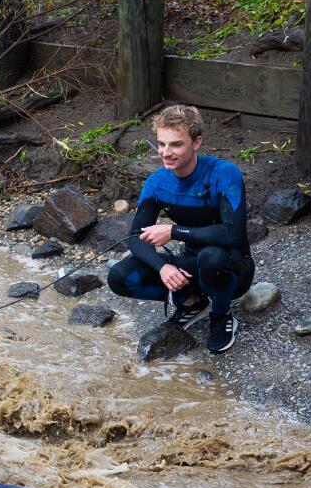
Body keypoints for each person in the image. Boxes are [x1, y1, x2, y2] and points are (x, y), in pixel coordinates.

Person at [106, 104, 252, 353]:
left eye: (175, 144)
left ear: (196, 143)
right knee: (119, 277)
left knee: (211, 257)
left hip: (232, 266)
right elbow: (135, 237)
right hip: (192, 263)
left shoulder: (223, 173)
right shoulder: (157, 183)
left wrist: (173, 231)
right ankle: (191, 301)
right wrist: (162, 267)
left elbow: (233, 234)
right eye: (161, 144)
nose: (165, 152)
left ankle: (221, 313)